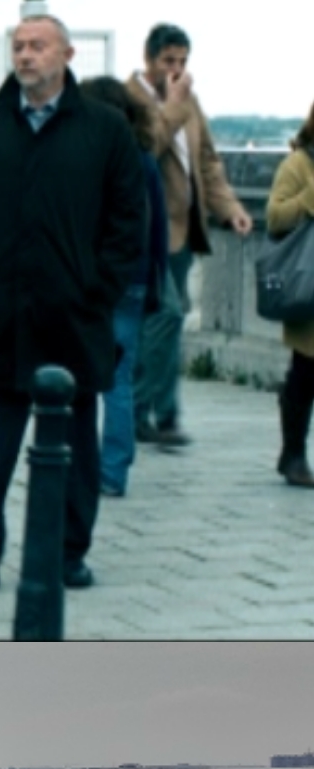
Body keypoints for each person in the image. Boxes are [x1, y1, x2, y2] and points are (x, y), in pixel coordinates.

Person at [0, 15, 146, 594]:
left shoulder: (103, 129)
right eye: (18, 47)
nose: (25, 56)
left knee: (74, 453)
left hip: (70, 321)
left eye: (37, 46)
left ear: (67, 54)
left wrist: (96, 291)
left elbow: (130, 218)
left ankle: (65, 555)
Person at [126, 24, 255, 451]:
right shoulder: (131, 100)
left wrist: (231, 209)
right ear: (148, 60)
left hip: (182, 233)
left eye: (183, 62)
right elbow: (145, 149)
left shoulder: (190, 103)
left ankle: (150, 413)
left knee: (159, 324)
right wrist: (176, 108)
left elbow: (208, 163)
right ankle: (153, 414)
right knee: (167, 314)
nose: (177, 71)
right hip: (143, 237)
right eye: (168, 62)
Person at [79, 77, 171, 498]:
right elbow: (159, 232)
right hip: (133, 280)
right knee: (118, 379)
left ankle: (83, 465)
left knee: (79, 376)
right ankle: (114, 471)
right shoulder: (143, 158)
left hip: (91, 280)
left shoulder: (88, 157)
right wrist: (153, 281)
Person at [267, 105, 314, 488]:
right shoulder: (299, 164)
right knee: (306, 371)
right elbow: (275, 217)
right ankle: (293, 453)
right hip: (308, 282)